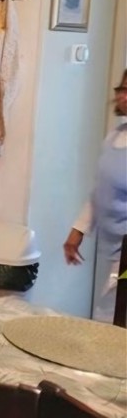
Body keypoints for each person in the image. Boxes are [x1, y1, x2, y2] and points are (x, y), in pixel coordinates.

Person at [63, 69, 127, 322]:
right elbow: (100, 190)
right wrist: (77, 230)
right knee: (106, 316)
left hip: (125, 250)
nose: (123, 96)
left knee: (112, 317)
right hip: (108, 247)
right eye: (122, 89)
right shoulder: (115, 136)